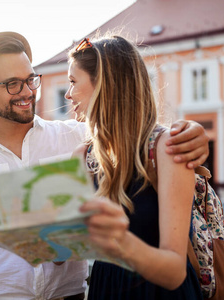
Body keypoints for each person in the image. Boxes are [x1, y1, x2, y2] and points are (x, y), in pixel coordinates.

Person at [0, 30, 209, 299]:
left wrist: (193, 133)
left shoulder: (76, 137)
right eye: (12, 84)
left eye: (31, 79)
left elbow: (130, 132)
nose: (28, 92)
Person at [68, 35, 204, 299]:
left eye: (73, 81)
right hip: (105, 288)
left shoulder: (165, 148)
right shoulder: (82, 157)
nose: (67, 93)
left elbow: (175, 271)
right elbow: (69, 251)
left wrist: (117, 240)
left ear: (105, 86)